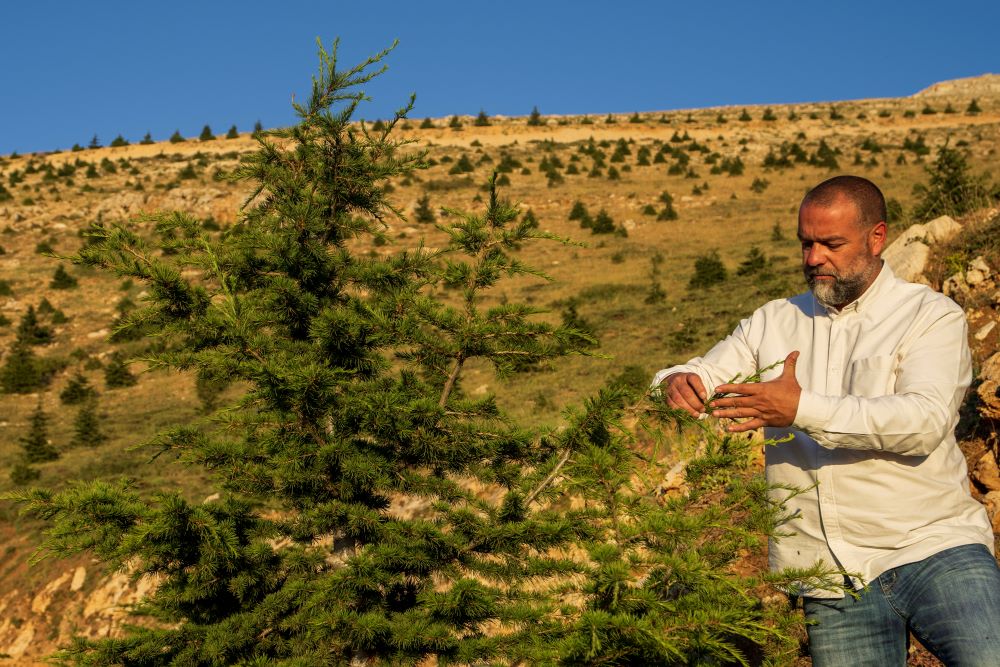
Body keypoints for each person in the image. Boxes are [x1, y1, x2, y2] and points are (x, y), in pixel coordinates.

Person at [653, 175, 1000, 665]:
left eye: (831, 243)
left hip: (936, 548)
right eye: (805, 243)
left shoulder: (929, 315)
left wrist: (801, 409)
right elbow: (703, 370)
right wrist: (679, 380)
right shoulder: (772, 321)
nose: (814, 258)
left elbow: (925, 419)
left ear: (877, 238)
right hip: (827, 577)